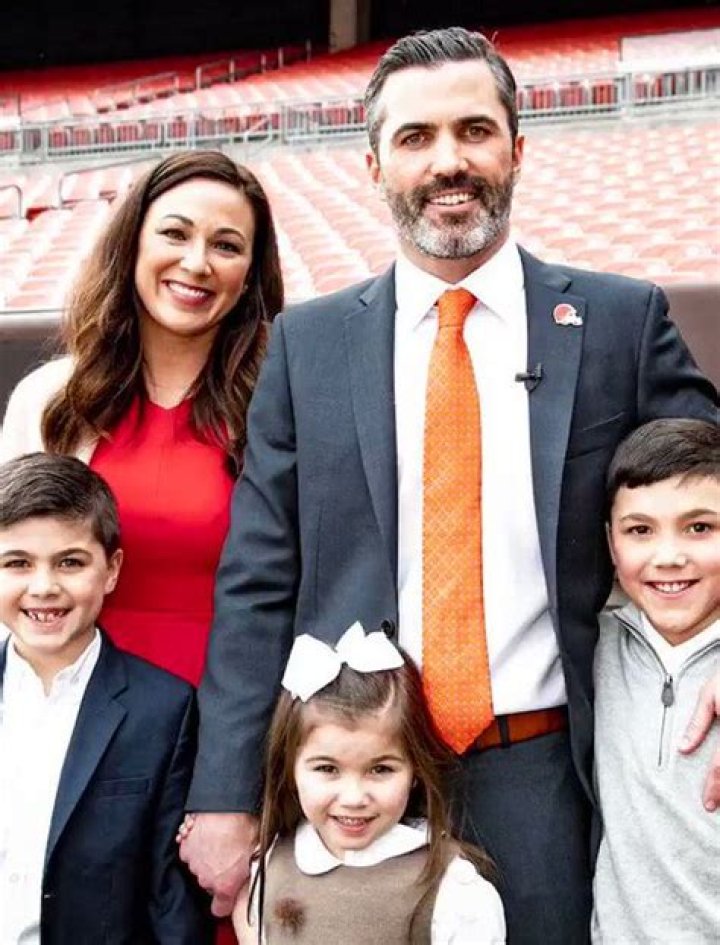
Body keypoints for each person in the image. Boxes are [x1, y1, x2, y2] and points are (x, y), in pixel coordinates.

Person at [179, 28, 719, 944]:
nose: (448, 162)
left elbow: (710, 496)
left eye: (474, 130)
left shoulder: (620, 322)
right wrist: (226, 791)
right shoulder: (307, 345)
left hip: (545, 772)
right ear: (374, 165)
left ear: (518, 148)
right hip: (356, 785)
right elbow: (257, 581)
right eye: (416, 137)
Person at [0, 150, 283, 942]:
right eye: (176, 233)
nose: (197, 262)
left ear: (250, 273)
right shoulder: (51, 401)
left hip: (227, 746)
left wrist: (238, 784)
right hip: (80, 740)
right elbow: (14, 576)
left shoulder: (276, 407)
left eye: (227, 245)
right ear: (132, 244)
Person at [0, 452, 212, 944]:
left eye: (70, 563)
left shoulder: (163, 710)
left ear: (112, 570)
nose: (44, 587)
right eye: (17, 563)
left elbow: (170, 903)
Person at [183, 622, 505, 943]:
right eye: (327, 769)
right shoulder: (271, 865)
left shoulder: (453, 889)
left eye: (380, 770)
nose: (353, 797)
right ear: (291, 769)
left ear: (415, 772)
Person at [591, 419, 719, 943]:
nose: (668, 556)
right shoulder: (595, 649)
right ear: (611, 542)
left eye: (700, 528)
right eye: (640, 531)